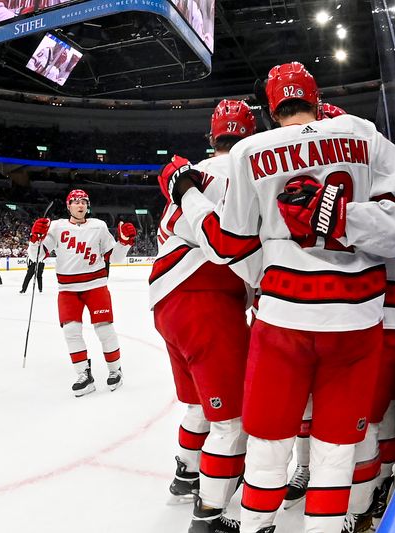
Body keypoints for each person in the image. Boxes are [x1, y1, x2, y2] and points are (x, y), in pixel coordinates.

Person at [160, 62, 395, 533]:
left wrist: (189, 197)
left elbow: (229, 247)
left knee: (267, 440)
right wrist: (343, 216)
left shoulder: (250, 151)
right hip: (356, 319)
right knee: (337, 446)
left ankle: (255, 525)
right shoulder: (360, 132)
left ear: (269, 109)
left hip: (282, 317)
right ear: (317, 100)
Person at [150, 100, 260, 533]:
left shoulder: (190, 174)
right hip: (208, 299)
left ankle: (184, 475)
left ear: (210, 137)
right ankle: (209, 514)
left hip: (167, 303)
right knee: (230, 420)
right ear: (249, 135)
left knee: (199, 403)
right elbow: (238, 245)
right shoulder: (248, 170)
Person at [28, 190, 137, 396]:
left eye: (84, 202)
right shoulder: (57, 227)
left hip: (96, 285)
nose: (80, 205)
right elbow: (37, 256)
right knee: (71, 331)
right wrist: (35, 239)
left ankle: (115, 371)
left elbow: (115, 258)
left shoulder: (99, 226)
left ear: (88, 206)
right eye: (75, 202)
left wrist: (124, 243)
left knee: (104, 330)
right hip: (68, 289)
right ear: (68, 206)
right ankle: (84, 375)